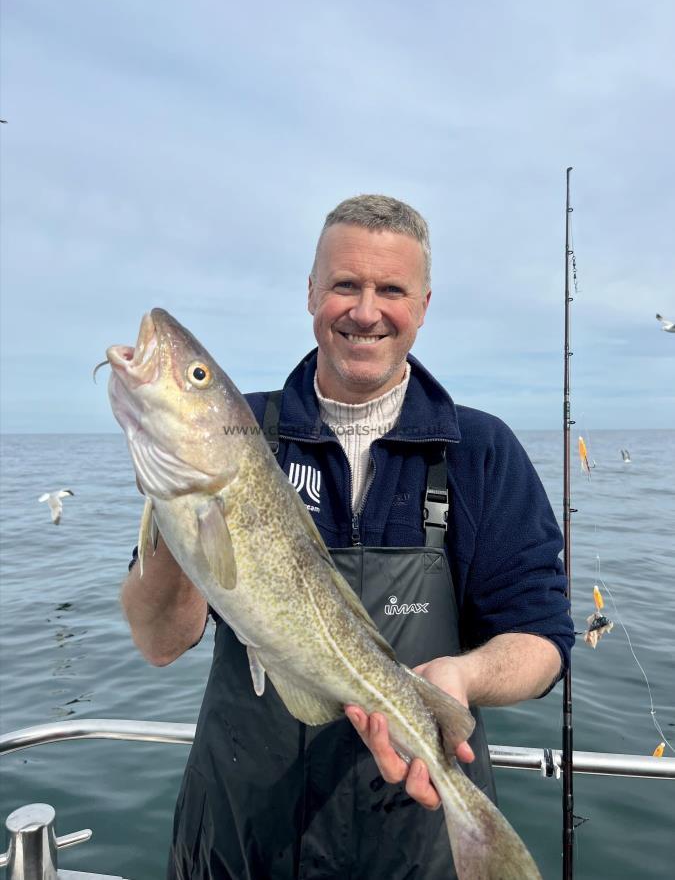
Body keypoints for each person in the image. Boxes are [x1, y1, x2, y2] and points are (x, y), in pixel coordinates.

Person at [121, 194, 574, 879]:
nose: (366, 311)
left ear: (422, 304)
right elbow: (159, 642)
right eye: (344, 285)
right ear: (310, 294)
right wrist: (178, 497)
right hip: (241, 841)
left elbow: (542, 642)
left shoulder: (479, 449)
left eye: (390, 289)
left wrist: (459, 678)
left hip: (414, 838)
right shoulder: (247, 429)